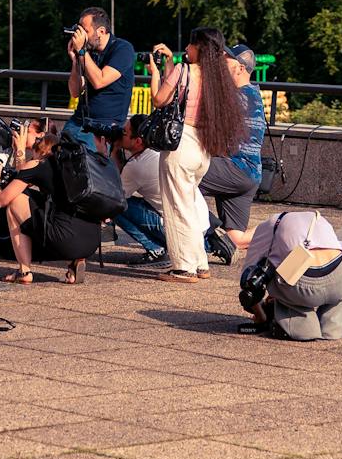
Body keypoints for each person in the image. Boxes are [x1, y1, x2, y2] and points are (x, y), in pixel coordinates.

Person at [146, 25, 246, 283]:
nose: (186, 49)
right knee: (189, 206)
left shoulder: (185, 70)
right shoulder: (218, 79)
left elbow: (159, 99)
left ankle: (183, 267)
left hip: (180, 147)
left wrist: (155, 73)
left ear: (198, 47)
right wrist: (170, 64)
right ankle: (200, 262)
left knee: (177, 208)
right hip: (203, 149)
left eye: (190, 44)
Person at [0, 125, 101, 285]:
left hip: (66, 240)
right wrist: (20, 152)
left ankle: (24, 271)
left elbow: (2, 200)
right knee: (42, 201)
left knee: (14, 201)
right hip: (91, 241)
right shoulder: (72, 164)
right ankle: (74, 263)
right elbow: (24, 176)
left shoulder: (40, 164)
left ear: (39, 152)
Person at [240, 211, 342, 341]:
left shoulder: (266, 227)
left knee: (270, 268)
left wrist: (261, 316)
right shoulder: (317, 218)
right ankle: (334, 322)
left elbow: (248, 281)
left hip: (301, 291)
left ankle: (299, 325)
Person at [109, 116, 210, 267]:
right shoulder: (158, 153)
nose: (119, 134)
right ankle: (207, 244)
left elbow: (116, 196)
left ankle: (156, 249)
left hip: (181, 232)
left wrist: (110, 152)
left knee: (116, 208)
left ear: (138, 141)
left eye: (124, 132)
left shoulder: (137, 166)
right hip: (200, 226)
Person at [198, 43, 266, 263]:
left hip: (235, 168)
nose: (220, 63)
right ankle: (281, 227)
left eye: (226, 60)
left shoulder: (236, 98)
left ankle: (212, 230)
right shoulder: (253, 94)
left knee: (181, 177)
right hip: (250, 174)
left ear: (240, 68)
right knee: (236, 239)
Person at [64, 7, 136, 148]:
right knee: (58, 156)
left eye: (85, 31)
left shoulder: (123, 49)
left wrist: (82, 51)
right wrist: (75, 60)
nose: (81, 36)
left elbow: (99, 81)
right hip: (78, 121)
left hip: (103, 127)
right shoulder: (88, 52)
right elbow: (75, 92)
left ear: (101, 31)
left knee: (87, 162)